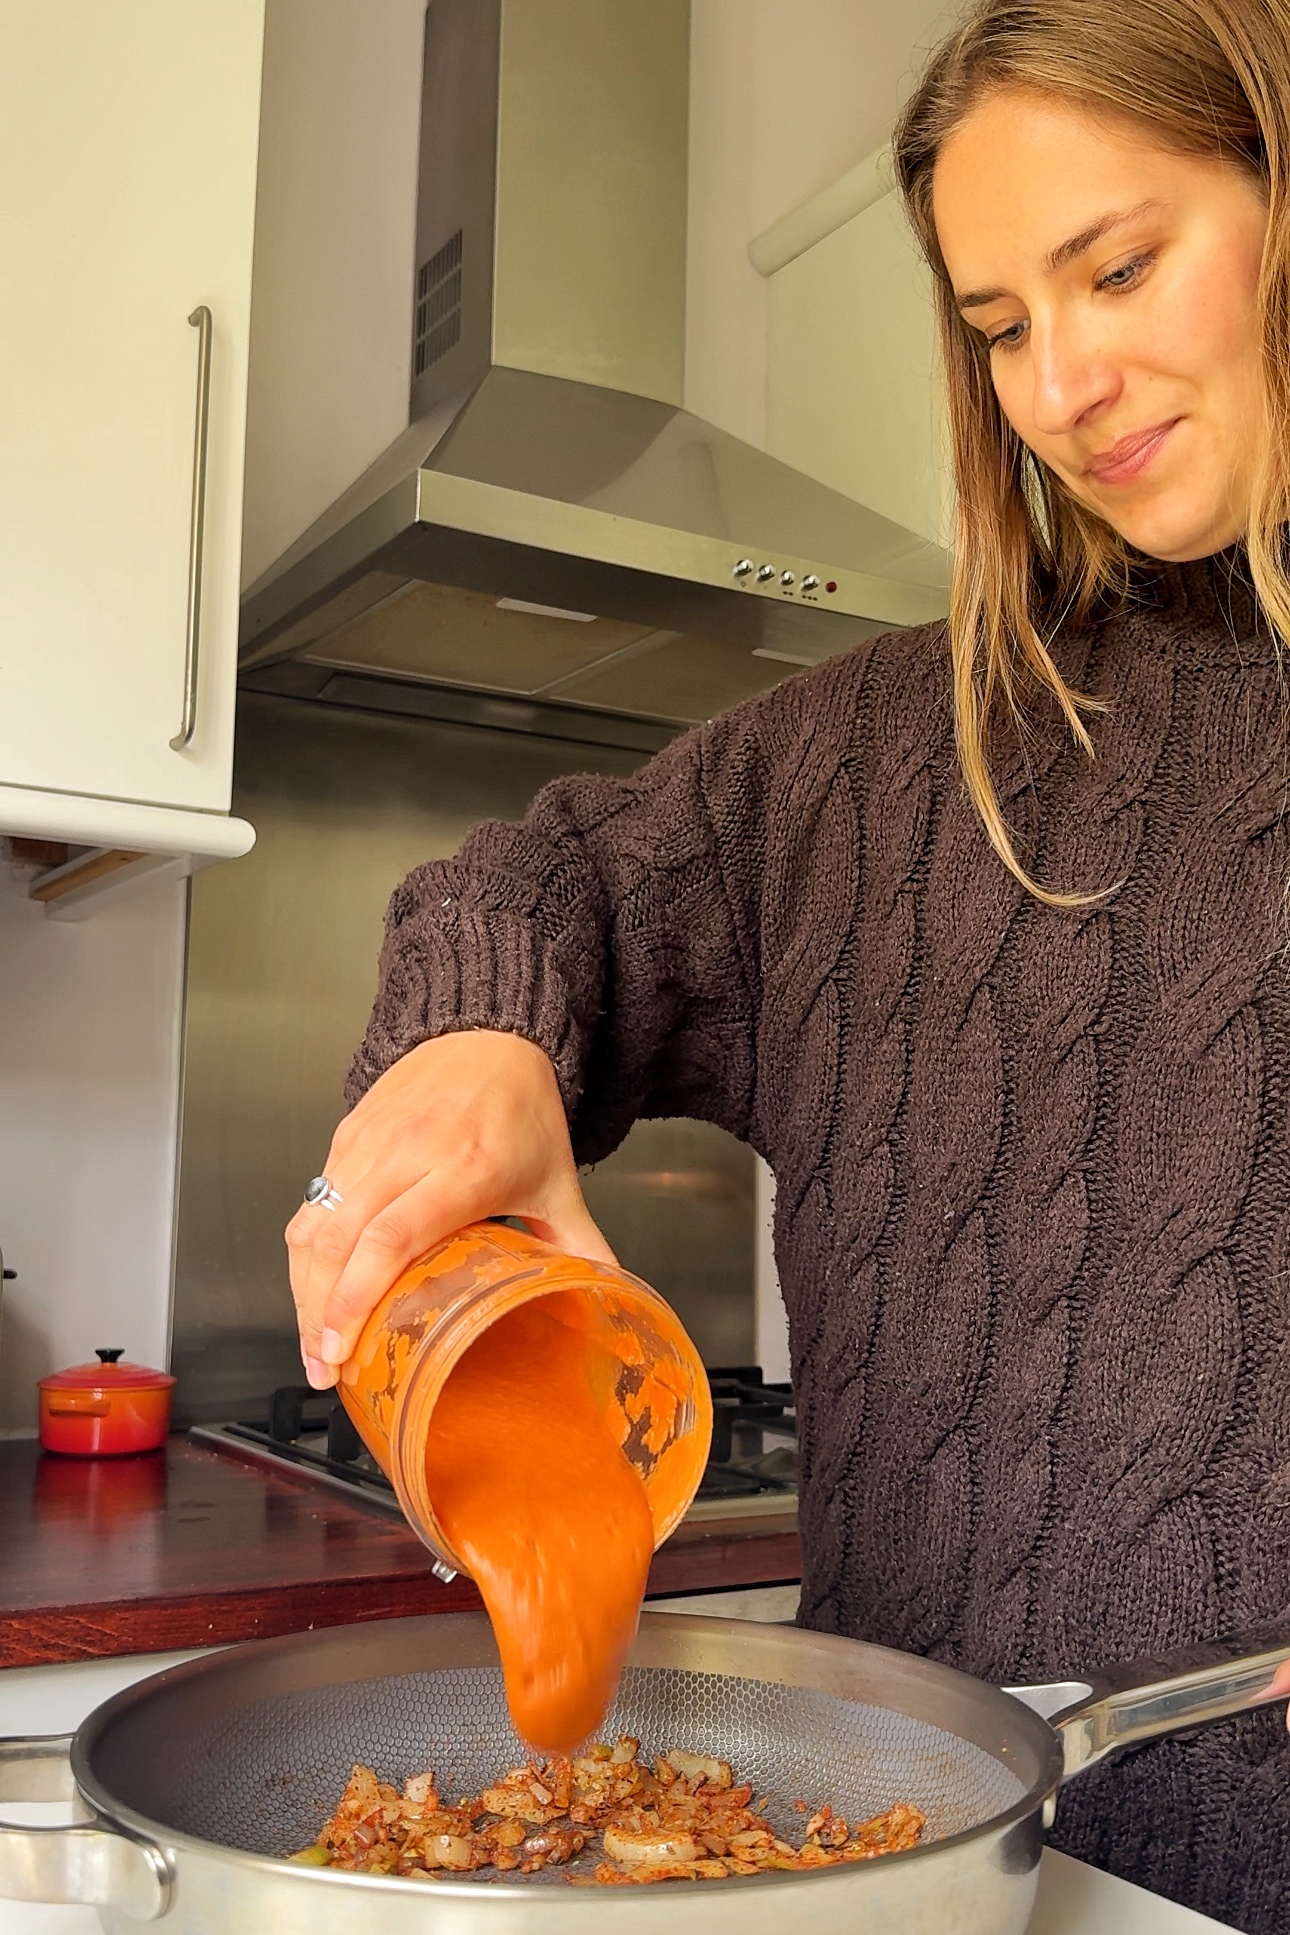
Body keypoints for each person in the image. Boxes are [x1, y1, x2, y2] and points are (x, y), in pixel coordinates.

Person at [285, 1, 1290, 1925]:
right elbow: (547, 884)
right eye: (995, 325)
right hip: (902, 1888)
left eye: (1116, 267)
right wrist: (478, 1036)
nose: (1061, 383)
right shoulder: (882, 758)